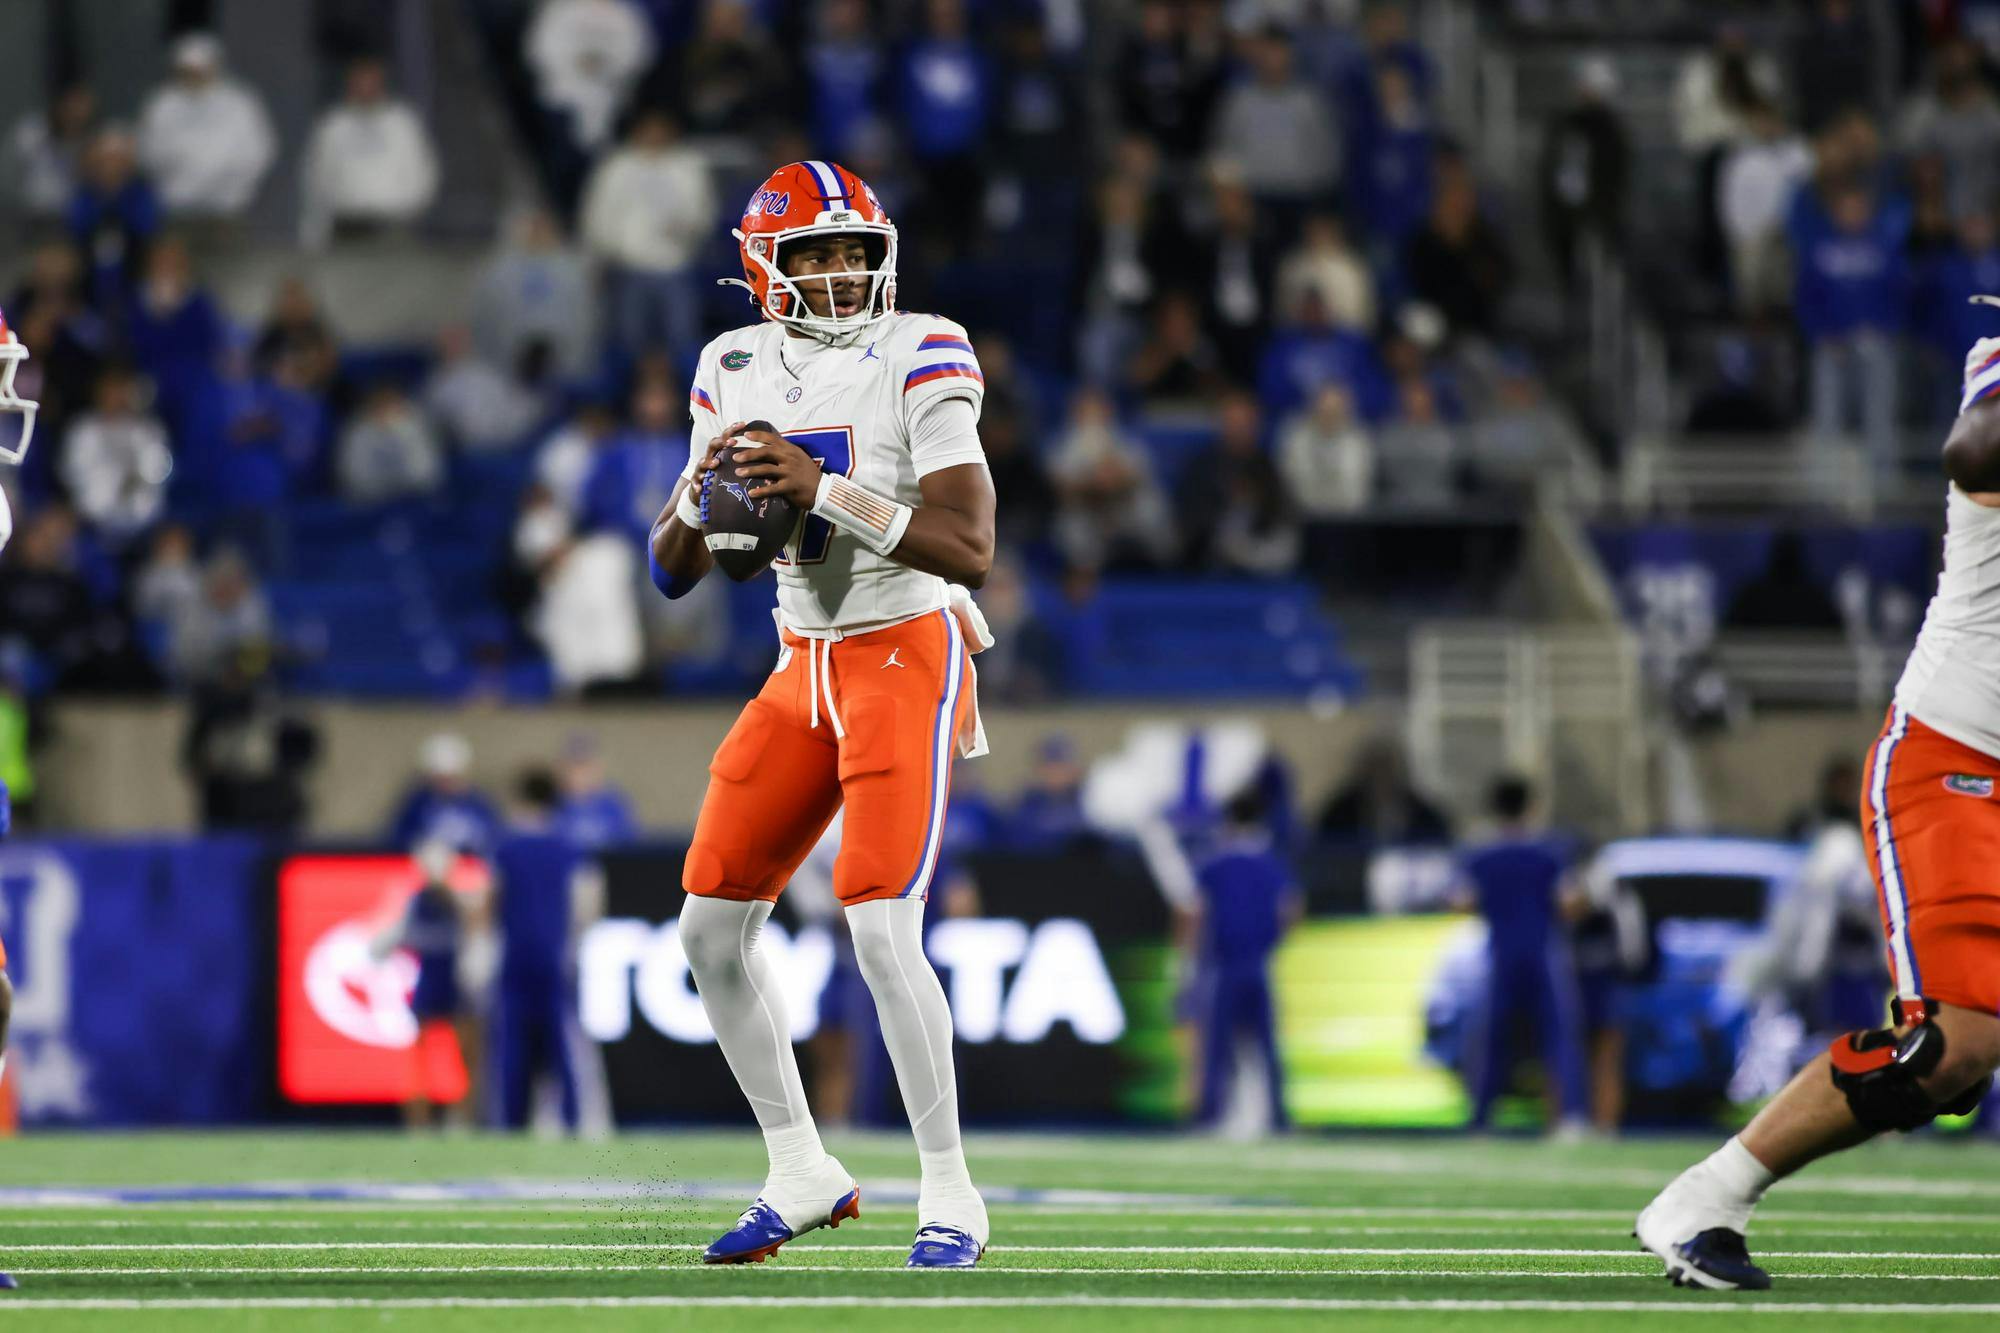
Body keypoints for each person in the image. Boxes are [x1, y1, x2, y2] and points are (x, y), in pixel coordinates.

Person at [647, 160, 996, 1268]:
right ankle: (800, 1166)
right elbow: (671, 571)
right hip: (801, 661)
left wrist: (819, 486)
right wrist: (707, 493)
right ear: (765, 266)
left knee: (882, 927)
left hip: (902, 645)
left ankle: (950, 1192)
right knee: (707, 926)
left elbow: (969, 547)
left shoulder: (923, 347)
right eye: (814, 254)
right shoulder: (730, 362)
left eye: (854, 251)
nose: (841, 273)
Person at [1635, 332, 2000, 1290]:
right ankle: (1706, 1198)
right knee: (1953, 1045)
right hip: (1958, 754)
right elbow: (1975, 448)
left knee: (1964, 1057)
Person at [1454, 775, 1590, 1134]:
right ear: (1530, 807)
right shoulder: (1549, 851)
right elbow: (1569, 902)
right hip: (1543, 952)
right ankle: (1571, 1116)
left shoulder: (1481, 854)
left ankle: (1481, 1118)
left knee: (1491, 1039)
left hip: (1499, 954)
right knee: (1558, 1036)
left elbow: (1461, 901)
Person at [490, 770, 608, 1136]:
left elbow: (490, 897)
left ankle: (511, 1125)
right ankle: (573, 1121)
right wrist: (573, 939)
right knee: (562, 1046)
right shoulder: (568, 847)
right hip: (554, 957)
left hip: (515, 957)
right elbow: (587, 901)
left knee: (512, 1046)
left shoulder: (506, 847)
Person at [1187, 785, 1301, 1136]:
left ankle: (1211, 1114)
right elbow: (1292, 907)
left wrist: (1191, 957)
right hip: (1259, 963)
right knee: (1267, 1045)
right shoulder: (1270, 862)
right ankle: (1278, 1117)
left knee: (1217, 1045)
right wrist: (1273, 942)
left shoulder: (1216, 863)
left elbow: (1194, 912)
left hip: (1224, 965)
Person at [578, 110, 716, 363]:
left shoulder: (687, 165)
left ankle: (692, 397)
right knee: (630, 342)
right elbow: (598, 215)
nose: (654, 135)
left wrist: (687, 228)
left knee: (683, 341)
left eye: (660, 128)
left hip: (676, 267)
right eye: (648, 129)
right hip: (630, 269)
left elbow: (703, 211)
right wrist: (599, 257)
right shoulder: (617, 167)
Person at [374, 839, 481, 1130]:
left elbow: (475, 938)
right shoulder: (417, 902)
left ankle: (463, 1119)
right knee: (418, 1062)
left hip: (455, 986)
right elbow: (395, 935)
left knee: (465, 1057)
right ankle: (418, 1121)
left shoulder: (460, 904)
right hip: (431, 985)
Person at [299, 55, 440, 248]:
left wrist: (411, 211)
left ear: (381, 84)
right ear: (350, 85)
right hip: (346, 227)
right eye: (359, 83)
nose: (365, 89)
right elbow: (316, 179)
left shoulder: (402, 123)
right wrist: (314, 232)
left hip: (394, 226)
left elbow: (424, 171)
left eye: (370, 82)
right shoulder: (333, 126)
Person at [136, 33, 276, 224]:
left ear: (215, 68)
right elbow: (149, 154)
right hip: (174, 210)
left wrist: (230, 186)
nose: (195, 78)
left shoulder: (240, 103)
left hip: (226, 211)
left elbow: (258, 153)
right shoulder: (162, 105)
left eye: (201, 71)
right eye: (187, 71)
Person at [387, 732, 502, 855]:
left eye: (451, 778)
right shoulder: (416, 805)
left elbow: (494, 837)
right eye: (441, 778)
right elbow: (398, 840)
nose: (446, 784)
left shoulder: (478, 804)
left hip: (471, 869)